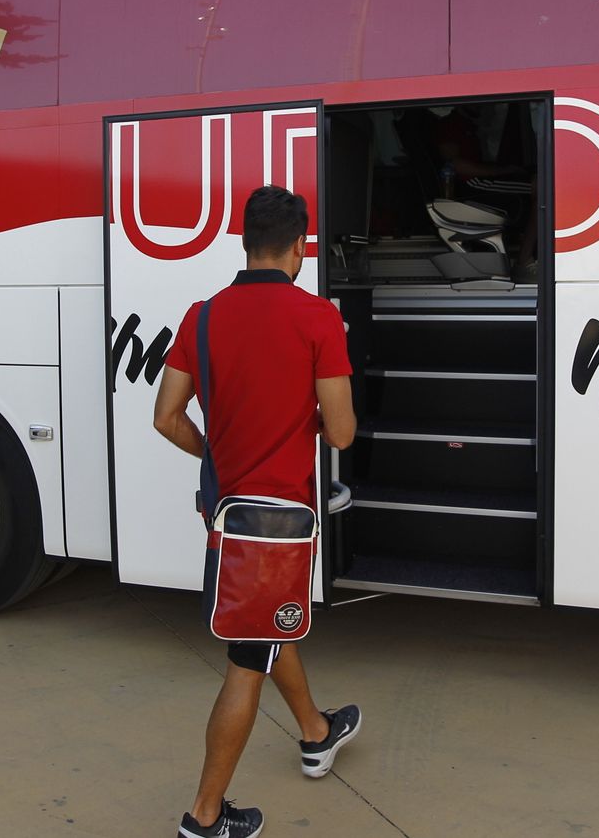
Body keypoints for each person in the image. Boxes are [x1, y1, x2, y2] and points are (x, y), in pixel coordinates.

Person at [153, 186, 362, 838]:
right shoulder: (318, 317)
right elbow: (343, 432)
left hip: (224, 514)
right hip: (280, 526)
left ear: (245, 242)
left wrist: (216, 448)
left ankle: (314, 730)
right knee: (248, 655)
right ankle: (204, 817)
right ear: (299, 246)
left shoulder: (202, 316)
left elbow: (165, 417)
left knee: (264, 624)